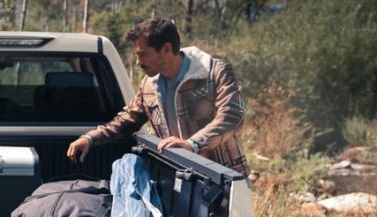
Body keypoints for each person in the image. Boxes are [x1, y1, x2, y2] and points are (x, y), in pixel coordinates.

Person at [67, 18, 250, 175]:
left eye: (143, 55)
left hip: (222, 175)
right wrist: (90, 138)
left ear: (166, 49)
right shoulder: (149, 84)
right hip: (181, 174)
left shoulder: (214, 72)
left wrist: (192, 144)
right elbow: (126, 121)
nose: (138, 62)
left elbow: (232, 115)